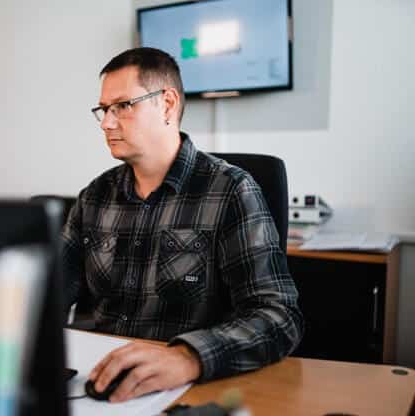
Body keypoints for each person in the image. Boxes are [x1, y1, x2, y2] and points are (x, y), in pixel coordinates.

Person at [61, 47, 303, 403]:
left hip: (186, 390)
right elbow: (48, 293)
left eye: (123, 106)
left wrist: (189, 357)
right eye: (103, 110)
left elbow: (279, 316)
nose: (106, 123)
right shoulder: (94, 196)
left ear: (168, 104)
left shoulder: (231, 190)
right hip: (95, 383)